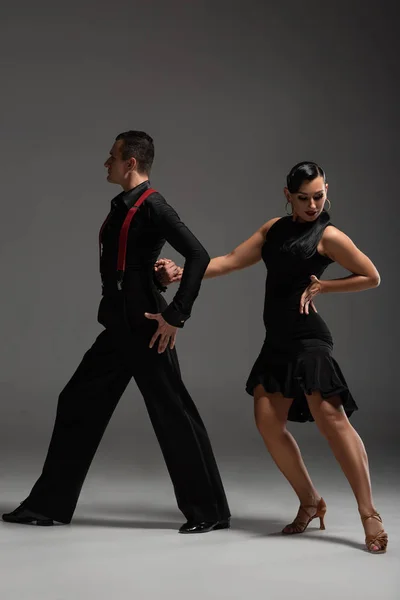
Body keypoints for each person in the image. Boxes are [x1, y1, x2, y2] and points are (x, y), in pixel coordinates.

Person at [2, 130, 230, 534]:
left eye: (111, 157)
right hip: (121, 323)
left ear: (131, 163)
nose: (105, 163)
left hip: (145, 327)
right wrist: (157, 281)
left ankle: (210, 511)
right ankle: (47, 504)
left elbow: (198, 254)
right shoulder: (123, 205)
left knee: (172, 413)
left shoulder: (153, 205)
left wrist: (176, 314)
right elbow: (137, 263)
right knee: (76, 401)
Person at [156, 161, 388, 553]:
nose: (313, 204)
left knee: (332, 419)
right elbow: (229, 260)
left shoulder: (328, 236)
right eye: (304, 198)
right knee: (267, 422)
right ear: (288, 196)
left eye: (319, 195)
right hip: (277, 342)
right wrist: (183, 273)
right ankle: (311, 502)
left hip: (310, 339)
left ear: (326, 189)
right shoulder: (273, 230)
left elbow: (371, 276)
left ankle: (369, 514)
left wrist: (325, 288)